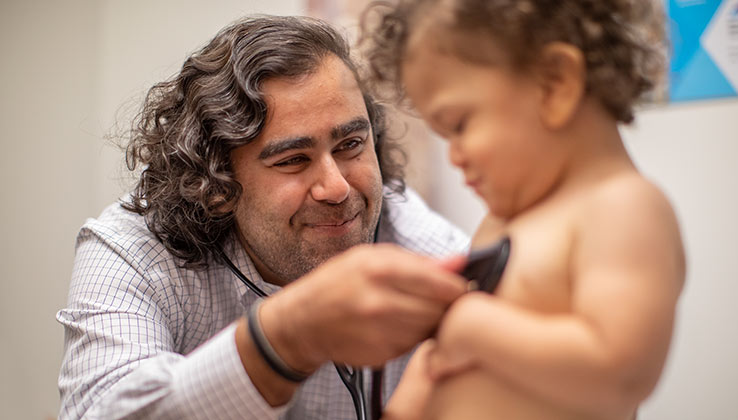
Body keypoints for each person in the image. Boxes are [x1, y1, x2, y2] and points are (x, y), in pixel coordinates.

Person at [57, 15, 471, 420]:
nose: (338, 188)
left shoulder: (413, 239)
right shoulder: (134, 251)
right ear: (216, 186)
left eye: (351, 144)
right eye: (293, 160)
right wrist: (285, 337)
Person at [361, 0, 686, 419]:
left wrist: (472, 327)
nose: (454, 156)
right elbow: (441, 358)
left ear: (555, 83)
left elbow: (622, 373)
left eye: (459, 126)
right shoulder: (500, 223)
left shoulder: (623, 207)